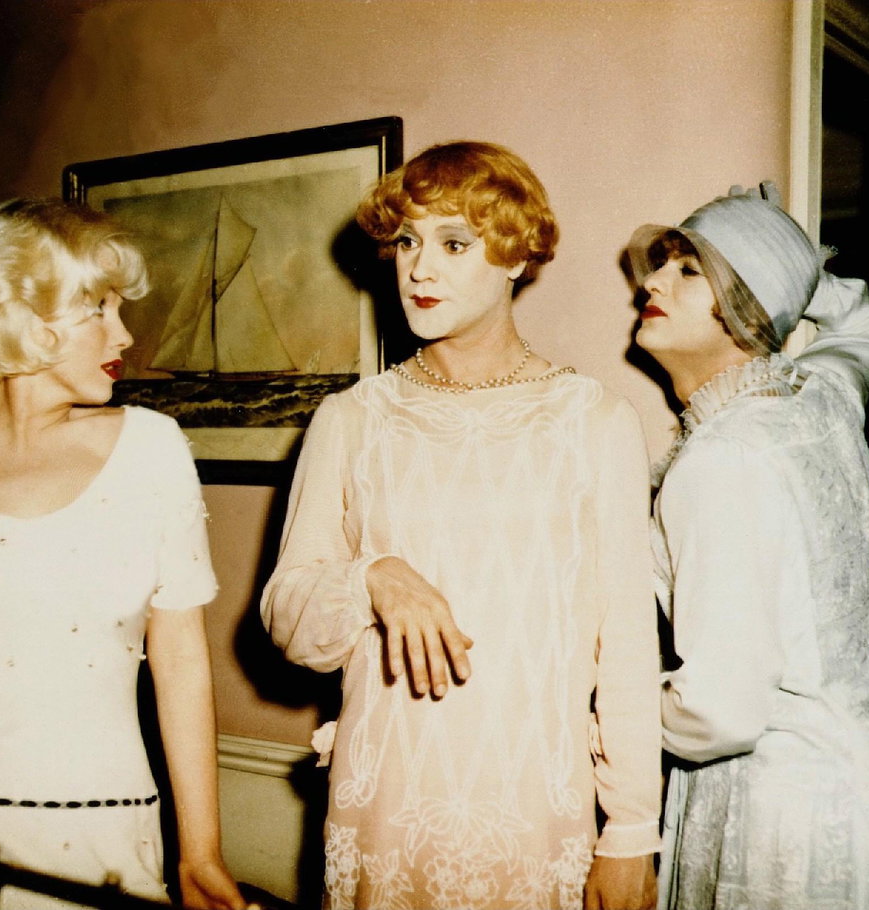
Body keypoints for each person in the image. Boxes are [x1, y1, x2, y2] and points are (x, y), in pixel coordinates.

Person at [261, 141, 661, 910]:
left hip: (536, 812)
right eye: (408, 242)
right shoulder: (351, 419)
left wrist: (632, 830)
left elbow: (628, 650)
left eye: (453, 245)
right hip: (386, 803)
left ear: (517, 257)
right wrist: (372, 578)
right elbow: (288, 617)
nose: (418, 269)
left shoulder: (594, 421)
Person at [0, 199, 248, 909]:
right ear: (24, 317)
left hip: (100, 835)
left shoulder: (152, 449)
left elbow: (182, 665)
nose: (125, 333)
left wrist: (202, 851)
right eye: (100, 308)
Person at [626, 184, 869, 910]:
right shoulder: (822, 394)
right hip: (863, 809)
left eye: (689, 271)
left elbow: (718, 712)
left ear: (744, 304)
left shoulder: (723, 459)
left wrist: (607, 708)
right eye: (663, 266)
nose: (652, 283)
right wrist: (781, 265)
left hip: (773, 826)